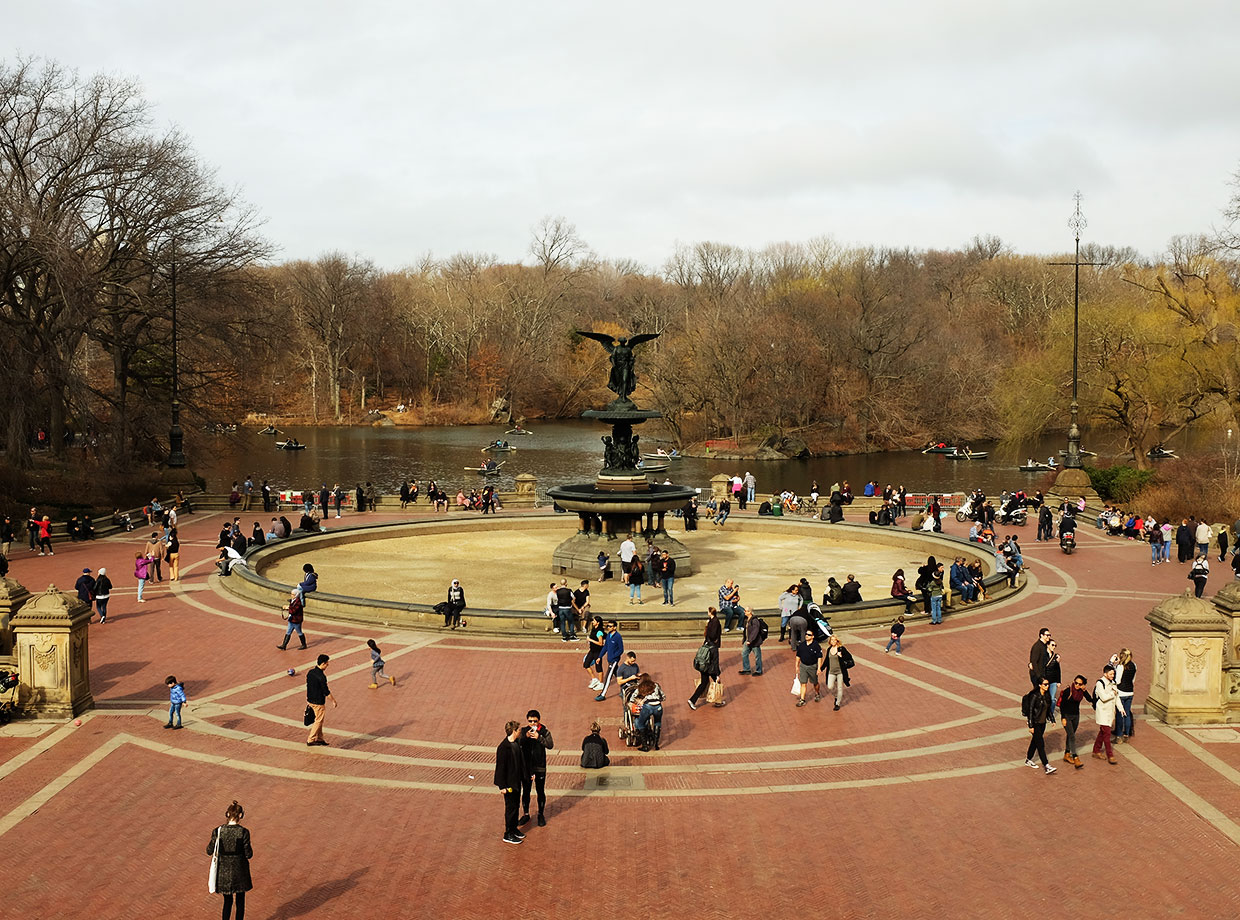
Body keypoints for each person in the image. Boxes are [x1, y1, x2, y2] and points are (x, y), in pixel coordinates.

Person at [206, 801, 253, 920]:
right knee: (240, 902)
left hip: (223, 874)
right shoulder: (243, 832)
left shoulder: (218, 831)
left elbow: (209, 850)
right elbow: (249, 854)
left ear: (227, 814)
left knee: (227, 902)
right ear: (241, 815)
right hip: (240, 873)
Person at [518, 710, 554, 828]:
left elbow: (550, 745)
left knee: (540, 790)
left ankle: (541, 814)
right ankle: (526, 813)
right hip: (527, 767)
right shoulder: (523, 731)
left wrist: (539, 738)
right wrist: (525, 737)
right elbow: (517, 742)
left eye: (535, 721)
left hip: (540, 766)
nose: (532, 723)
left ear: (539, 721)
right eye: (530, 721)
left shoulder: (544, 731)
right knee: (526, 790)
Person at [495, 720, 527, 843]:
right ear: (514, 731)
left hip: (516, 781)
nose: (520, 732)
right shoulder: (504, 747)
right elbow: (500, 768)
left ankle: (514, 829)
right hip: (509, 783)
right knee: (510, 808)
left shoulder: (516, 743)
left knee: (515, 806)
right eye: (519, 730)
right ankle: (508, 833)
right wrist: (502, 786)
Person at [687, 608, 722, 710]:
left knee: (704, 683)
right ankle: (717, 700)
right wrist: (717, 674)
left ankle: (693, 700)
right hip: (710, 668)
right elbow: (715, 662)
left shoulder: (706, 644)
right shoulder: (714, 648)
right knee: (715, 682)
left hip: (703, 666)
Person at [1058, 674, 1094, 768]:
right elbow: (1062, 705)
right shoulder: (1068, 691)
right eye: (1076, 683)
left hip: (1076, 716)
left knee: (1070, 735)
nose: (1077, 685)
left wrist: (1085, 690)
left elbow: (1090, 699)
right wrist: (1063, 718)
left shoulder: (1081, 692)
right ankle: (1075, 757)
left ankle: (1066, 754)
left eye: (1079, 684)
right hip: (1067, 716)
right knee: (1072, 737)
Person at [1022, 678, 1057, 774]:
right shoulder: (1034, 696)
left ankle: (1028, 759)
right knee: (1040, 744)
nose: (1047, 686)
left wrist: (1052, 719)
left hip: (1042, 723)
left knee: (1035, 742)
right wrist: (1030, 726)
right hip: (1035, 723)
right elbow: (1030, 711)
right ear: (1040, 685)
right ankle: (1046, 765)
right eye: (1045, 684)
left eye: (1048, 684)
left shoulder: (1046, 695)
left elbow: (1048, 709)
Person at [1092, 664, 1121, 764]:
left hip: (1110, 712)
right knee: (1107, 734)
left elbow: (1117, 697)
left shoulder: (1113, 683)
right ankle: (1110, 755)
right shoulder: (1100, 683)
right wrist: (1112, 693)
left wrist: (1121, 708)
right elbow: (1103, 697)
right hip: (1103, 712)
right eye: (1111, 674)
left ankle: (1096, 750)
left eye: (1113, 674)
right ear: (1105, 674)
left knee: (1103, 732)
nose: (1112, 676)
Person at [306, 654, 337, 746]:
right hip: (318, 702)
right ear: (323, 663)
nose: (328, 665)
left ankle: (319, 738)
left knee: (319, 720)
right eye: (327, 663)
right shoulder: (321, 677)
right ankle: (311, 739)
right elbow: (326, 691)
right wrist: (333, 700)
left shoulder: (310, 672)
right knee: (318, 720)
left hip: (310, 699)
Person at [595, 621, 625, 701]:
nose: (608, 627)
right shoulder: (608, 635)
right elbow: (605, 647)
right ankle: (625, 689)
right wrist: (599, 657)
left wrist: (614, 656)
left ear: (615, 627)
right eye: (608, 626)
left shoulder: (618, 637)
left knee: (608, 677)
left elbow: (621, 650)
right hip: (609, 659)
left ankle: (603, 694)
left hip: (614, 661)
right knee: (618, 675)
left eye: (610, 626)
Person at [1112, 649, 1136, 743]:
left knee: (1119, 714)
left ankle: (1118, 735)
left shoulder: (1121, 667)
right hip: (1130, 692)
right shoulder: (1134, 665)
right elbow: (1133, 679)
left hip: (1121, 692)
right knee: (1127, 713)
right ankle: (1126, 733)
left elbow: (1118, 681)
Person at [794, 630, 823, 707]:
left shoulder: (816, 645)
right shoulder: (802, 645)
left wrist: (819, 668)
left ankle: (817, 693)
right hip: (803, 666)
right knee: (803, 683)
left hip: (812, 666)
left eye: (809, 635)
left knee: (815, 682)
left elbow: (819, 657)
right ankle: (802, 699)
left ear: (812, 637)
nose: (807, 636)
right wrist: (797, 665)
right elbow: (798, 656)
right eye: (806, 634)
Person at [824, 634, 854, 710]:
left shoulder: (841, 649)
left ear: (837, 641)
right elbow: (827, 660)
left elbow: (849, 657)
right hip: (831, 671)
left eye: (834, 640)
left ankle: (837, 704)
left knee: (840, 688)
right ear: (830, 641)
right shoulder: (829, 649)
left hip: (840, 671)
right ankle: (836, 696)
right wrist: (821, 668)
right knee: (830, 686)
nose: (833, 641)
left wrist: (841, 656)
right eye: (832, 640)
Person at [739, 606, 766, 676]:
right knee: (744, 654)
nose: (744, 612)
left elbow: (755, 631)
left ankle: (759, 670)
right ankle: (746, 669)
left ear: (749, 612)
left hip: (755, 642)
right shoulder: (747, 620)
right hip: (747, 640)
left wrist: (750, 640)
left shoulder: (755, 621)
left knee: (757, 656)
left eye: (745, 611)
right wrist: (745, 640)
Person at [1045, 639, 1062, 722]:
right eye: (1052, 645)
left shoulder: (1056, 657)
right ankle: (1043, 713)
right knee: (1044, 698)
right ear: (1048, 645)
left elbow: (1058, 669)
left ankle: (1050, 714)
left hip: (1053, 681)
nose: (1054, 647)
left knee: (1052, 699)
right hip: (1045, 681)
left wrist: (1058, 681)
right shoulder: (1043, 655)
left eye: (1055, 645)